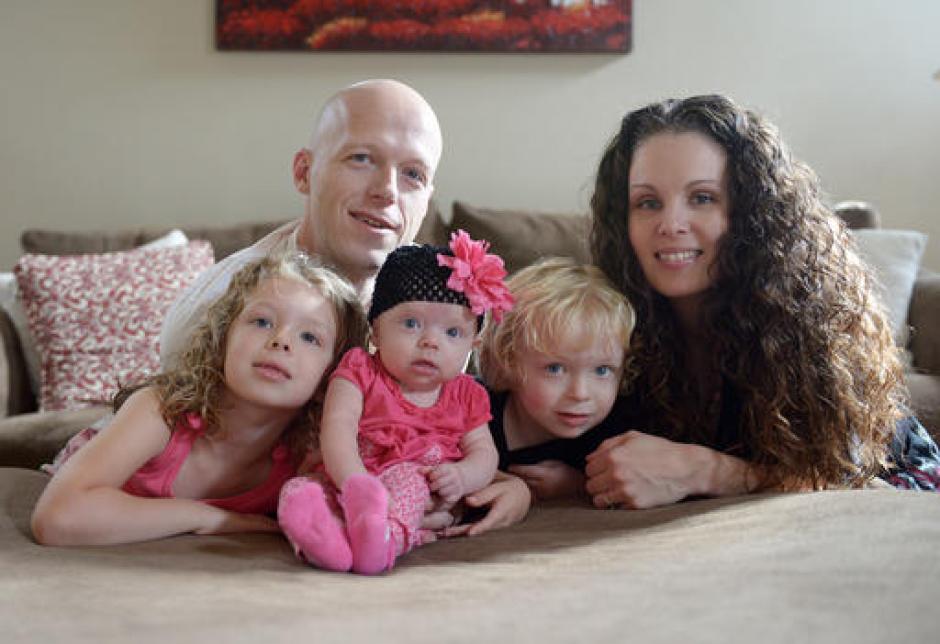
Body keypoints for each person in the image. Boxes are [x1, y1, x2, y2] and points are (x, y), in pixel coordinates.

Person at [584, 94, 940, 510]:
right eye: (648, 203)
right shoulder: (605, 325)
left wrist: (711, 472)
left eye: (702, 198)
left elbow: (857, 482)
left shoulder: (807, 325)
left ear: (751, 215)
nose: (671, 224)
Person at [31, 252, 368, 545]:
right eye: (262, 321)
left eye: (310, 337)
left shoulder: (305, 459)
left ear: (332, 375)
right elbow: (58, 518)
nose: (281, 341)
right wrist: (209, 518)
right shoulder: (161, 410)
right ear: (223, 339)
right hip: (80, 473)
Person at [159, 78, 443, 368]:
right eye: (361, 158)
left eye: (413, 174)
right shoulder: (213, 316)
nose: (387, 191)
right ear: (304, 173)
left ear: (426, 201)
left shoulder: (441, 311)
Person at [278, 231, 513, 574]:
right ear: (376, 330)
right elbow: (338, 430)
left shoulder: (467, 394)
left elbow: (484, 454)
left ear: (472, 345)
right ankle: (325, 541)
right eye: (411, 324)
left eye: (452, 332)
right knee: (301, 489)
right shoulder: (359, 370)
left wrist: (463, 476)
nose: (430, 342)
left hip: (420, 481)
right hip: (350, 477)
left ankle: (382, 542)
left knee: (410, 483)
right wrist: (357, 484)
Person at [475, 257, 635, 500]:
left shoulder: (612, 438)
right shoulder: (470, 407)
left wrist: (579, 484)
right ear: (508, 360)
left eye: (602, 370)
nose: (580, 394)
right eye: (555, 369)